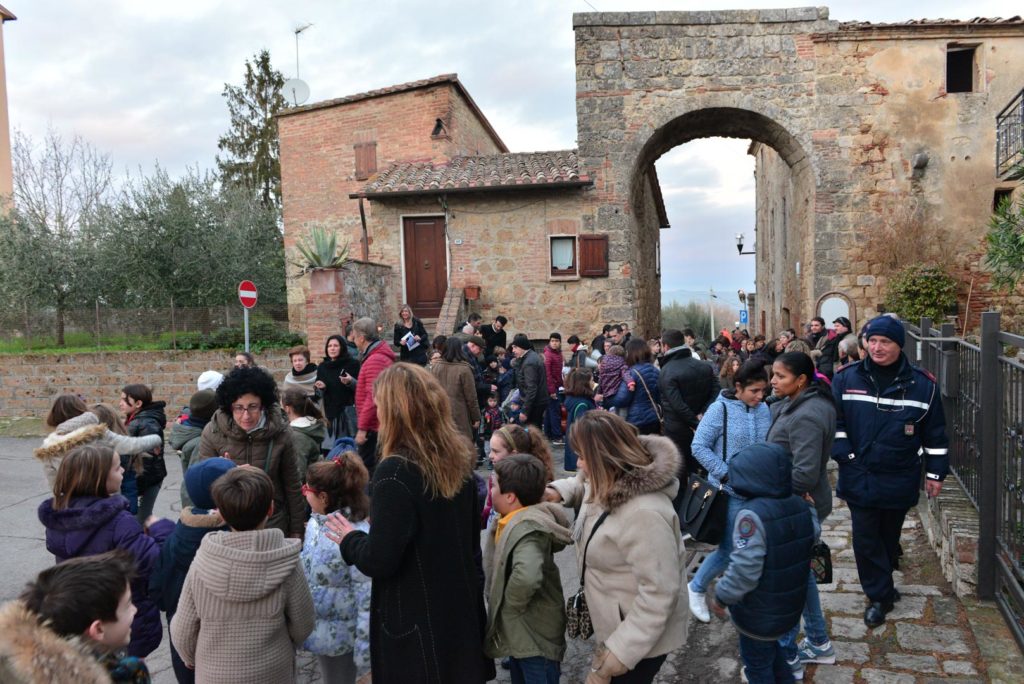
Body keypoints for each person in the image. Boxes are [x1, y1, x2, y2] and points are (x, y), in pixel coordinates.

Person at [323, 363, 495, 683]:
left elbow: (379, 559)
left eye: (379, 405)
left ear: (395, 412)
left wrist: (350, 539)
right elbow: (469, 544)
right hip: (458, 612)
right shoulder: (458, 459)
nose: (376, 413)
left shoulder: (395, 472)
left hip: (416, 624)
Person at [544, 412, 687, 683]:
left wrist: (618, 655)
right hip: (618, 623)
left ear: (604, 458)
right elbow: (586, 487)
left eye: (582, 456)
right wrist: (558, 491)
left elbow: (659, 593)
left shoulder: (644, 513)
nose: (578, 463)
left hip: (640, 641)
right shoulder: (611, 477)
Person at [831, 316, 949, 628]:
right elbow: (835, 423)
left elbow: (935, 433)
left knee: (888, 535)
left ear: (899, 345)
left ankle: (883, 580)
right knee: (866, 537)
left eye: (885, 342)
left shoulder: (923, 386)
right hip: (860, 473)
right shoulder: (846, 378)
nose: (877, 347)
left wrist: (935, 473)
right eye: (872, 341)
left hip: (899, 474)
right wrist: (846, 455)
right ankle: (879, 596)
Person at [170, 468, 315, 683]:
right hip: (272, 673)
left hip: (215, 675)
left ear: (220, 513)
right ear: (270, 509)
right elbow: (304, 624)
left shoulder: (202, 562)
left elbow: (183, 631)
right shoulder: (287, 562)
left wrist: (190, 657)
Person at [37, 444, 173, 658]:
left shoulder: (60, 518)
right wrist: (162, 530)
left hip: (80, 614)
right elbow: (155, 562)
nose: (123, 470)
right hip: (121, 617)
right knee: (126, 668)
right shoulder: (120, 522)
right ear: (99, 479)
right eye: (117, 468)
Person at [708, 443, 816, 684]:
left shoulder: (751, 516)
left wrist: (722, 596)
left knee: (757, 666)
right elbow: (813, 534)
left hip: (758, 613)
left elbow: (744, 572)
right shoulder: (800, 505)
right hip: (787, 606)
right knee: (774, 654)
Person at [766, 351, 838, 672]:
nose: (773, 381)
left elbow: (805, 474)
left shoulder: (807, 414)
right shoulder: (799, 403)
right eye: (773, 374)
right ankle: (819, 642)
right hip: (798, 503)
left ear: (801, 380)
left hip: (798, 506)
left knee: (788, 581)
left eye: (780, 376)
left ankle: (788, 658)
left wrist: (767, 486)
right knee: (802, 574)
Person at [687, 361, 771, 623]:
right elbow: (699, 446)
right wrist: (725, 474)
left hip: (760, 493)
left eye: (763, 391)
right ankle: (696, 587)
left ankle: (741, 595)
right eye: (754, 391)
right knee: (730, 548)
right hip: (730, 493)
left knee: (755, 546)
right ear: (738, 387)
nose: (760, 396)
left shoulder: (764, 409)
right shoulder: (720, 409)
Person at [0, 550, 150, 683]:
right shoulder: (128, 674)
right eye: (128, 605)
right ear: (98, 629)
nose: (135, 610)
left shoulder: (12, 668)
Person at [485, 454, 571, 684]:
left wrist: (510, 606)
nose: (490, 491)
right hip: (523, 633)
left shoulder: (527, 529)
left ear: (510, 497)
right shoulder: (511, 519)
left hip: (534, 636)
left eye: (494, 487)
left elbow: (527, 575)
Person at [194, 366, 306, 539]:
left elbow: (292, 484)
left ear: (263, 405)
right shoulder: (213, 431)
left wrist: (297, 530)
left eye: (252, 406)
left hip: (272, 523)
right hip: (228, 524)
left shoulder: (282, 433)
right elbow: (202, 486)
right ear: (229, 406)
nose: (246, 416)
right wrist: (223, 472)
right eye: (239, 407)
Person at [150, 457, 235, 683]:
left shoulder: (174, 539)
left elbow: (157, 591)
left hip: (184, 648)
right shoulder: (231, 539)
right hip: (225, 647)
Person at [301, 454, 372, 684]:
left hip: (344, 639)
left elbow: (367, 598)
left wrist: (365, 656)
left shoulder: (355, 536)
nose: (304, 493)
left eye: (306, 489)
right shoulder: (317, 522)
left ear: (323, 497)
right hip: (322, 632)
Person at [658, 329, 719, 479]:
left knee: (679, 471)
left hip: (678, 430)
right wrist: (702, 415)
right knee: (702, 470)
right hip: (703, 424)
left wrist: (695, 423)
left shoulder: (667, 371)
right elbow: (716, 391)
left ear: (665, 346)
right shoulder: (704, 366)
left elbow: (677, 404)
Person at [352, 317, 396, 473]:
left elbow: (373, 396)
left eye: (354, 336)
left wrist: (363, 428)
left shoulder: (375, 360)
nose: (353, 340)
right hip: (376, 425)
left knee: (369, 471)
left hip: (375, 427)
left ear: (362, 338)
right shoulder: (375, 356)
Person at [120, 384, 168, 524]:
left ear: (138, 403)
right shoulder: (134, 419)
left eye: (124, 400)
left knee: (141, 520)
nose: (120, 403)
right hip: (139, 480)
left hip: (146, 481)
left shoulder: (146, 423)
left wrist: (135, 487)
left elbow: (148, 460)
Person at [167, 389, 218, 509]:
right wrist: (192, 513)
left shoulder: (188, 429)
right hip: (198, 507)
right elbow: (192, 484)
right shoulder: (200, 442)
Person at [432, 337, 483, 446]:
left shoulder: (436, 366)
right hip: (459, 414)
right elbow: (471, 397)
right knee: (460, 446)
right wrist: (476, 417)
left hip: (440, 412)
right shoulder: (464, 369)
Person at [605, 339, 662, 435]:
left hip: (636, 421)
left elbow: (622, 400)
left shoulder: (631, 373)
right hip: (654, 417)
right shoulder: (655, 370)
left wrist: (607, 398)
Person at [315, 335, 361, 448]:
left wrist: (350, 381)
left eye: (336, 345)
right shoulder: (322, 367)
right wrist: (321, 388)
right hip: (329, 414)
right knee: (329, 450)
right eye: (329, 346)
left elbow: (360, 389)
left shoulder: (352, 364)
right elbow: (318, 394)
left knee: (346, 448)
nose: (332, 348)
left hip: (347, 414)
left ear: (342, 347)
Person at [281, 387, 328, 483]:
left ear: (287, 408)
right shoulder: (308, 428)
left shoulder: (298, 436)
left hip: (302, 489)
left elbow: (298, 472)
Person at [562, 368, 596, 473]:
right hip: (580, 452)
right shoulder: (582, 404)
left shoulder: (574, 399)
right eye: (592, 380)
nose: (594, 383)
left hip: (574, 449)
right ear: (584, 384)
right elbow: (583, 429)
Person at [511, 334, 548, 428]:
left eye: (515, 347)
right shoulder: (530, 357)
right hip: (536, 402)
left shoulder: (529, 362)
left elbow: (531, 388)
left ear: (522, 347)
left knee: (532, 431)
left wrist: (525, 410)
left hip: (535, 403)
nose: (513, 350)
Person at [542, 333, 565, 444]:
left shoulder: (558, 353)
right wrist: (551, 391)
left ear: (560, 342)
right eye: (552, 341)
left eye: (556, 341)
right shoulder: (548, 354)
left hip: (557, 386)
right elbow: (547, 374)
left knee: (550, 411)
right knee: (555, 412)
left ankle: (548, 434)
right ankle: (557, 436)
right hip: (552, 388)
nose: (554, 343)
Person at [596, 344, 630, 410]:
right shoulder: (622, 364)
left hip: (606, 396)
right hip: (617, 394)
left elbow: (601, 380)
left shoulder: (604, 364)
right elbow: (626, 375)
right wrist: (630, 382)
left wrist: (598, 392)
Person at [480, 394, 504, 464]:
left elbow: (504, 420)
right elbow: (482, 423)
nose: (492, 402)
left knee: (498, 447)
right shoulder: (484, 411)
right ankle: (490, 461)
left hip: (498, 432)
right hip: (487, 433)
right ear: (487, 401)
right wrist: (481, 433)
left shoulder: (500, 410)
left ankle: (497, 461)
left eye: (494, 401)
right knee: (487, 449)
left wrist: (503, 428)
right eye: (490, 401)